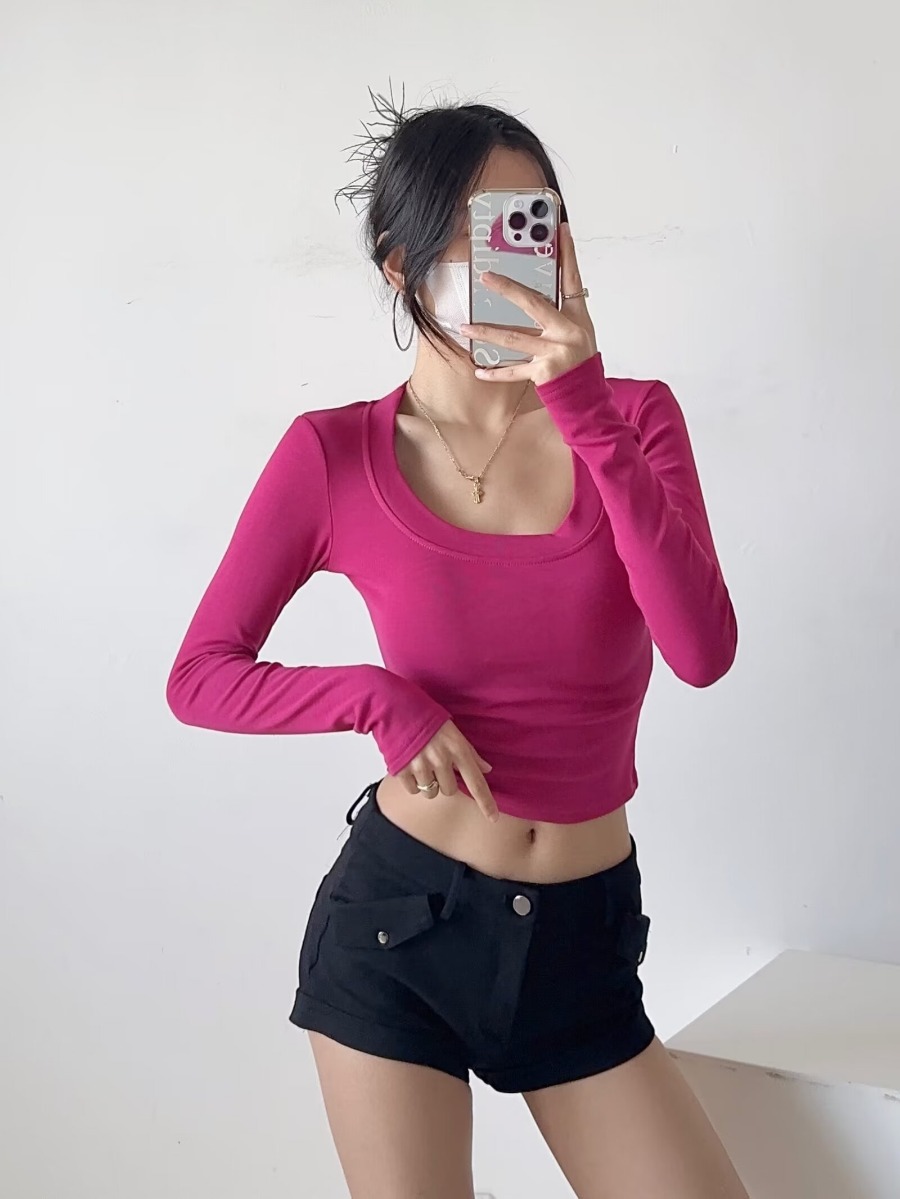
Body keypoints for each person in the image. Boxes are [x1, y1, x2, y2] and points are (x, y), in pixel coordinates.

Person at [166, 93, 747, 1199]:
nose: (510, 262)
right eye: (475, 234)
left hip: (582, 939)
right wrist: (378, 698)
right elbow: (200, 675)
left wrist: (582, 408)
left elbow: (701, 649)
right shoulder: (333, 454)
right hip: (400, 929)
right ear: (402, 266)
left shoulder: (633, 419)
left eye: (531, 224)